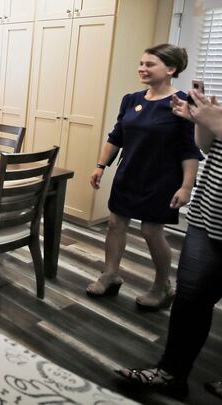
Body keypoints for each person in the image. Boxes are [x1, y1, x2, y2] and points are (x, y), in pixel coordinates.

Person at [116, 87, 222, 400]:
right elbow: (206, 146)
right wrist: (200, 122)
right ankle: (171, 374)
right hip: (208, 214)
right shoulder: (131, 98)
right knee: (189, 299)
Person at [86, 44, 202, 310]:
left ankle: (163, 286)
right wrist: (100, 165)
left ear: (171, 69)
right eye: (141, 63)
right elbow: (117, 137)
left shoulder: (181, 104)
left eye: (150, 64)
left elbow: (189, 150)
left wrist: (186, 187)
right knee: (115, 223)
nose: (142, 68)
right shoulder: (131, 99)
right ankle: (110, 274)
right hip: (129, 173)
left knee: (151, 230)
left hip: (161, 179)